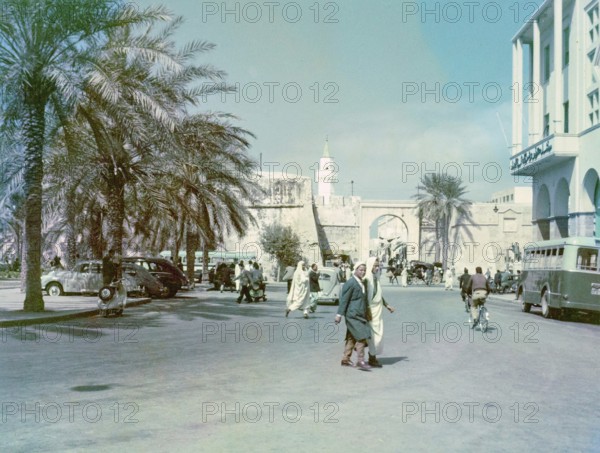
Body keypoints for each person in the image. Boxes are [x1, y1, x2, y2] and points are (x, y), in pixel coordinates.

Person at [335, 262, 372, 371]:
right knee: (362, 335)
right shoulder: (351, 283)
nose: (363, 272)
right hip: (352, 315)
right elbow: (344, 299)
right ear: (355, 270)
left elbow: (363, 300)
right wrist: (339, 315)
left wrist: (367, 312)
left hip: (360, 314)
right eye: (360, 270)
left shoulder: (362, 282)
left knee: (351, 337)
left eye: (364, 270)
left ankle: (345, 359)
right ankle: (360, 361)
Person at [364, 257, 395, 368]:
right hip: (370, 311)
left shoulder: (375, 278)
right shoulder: (366, 279)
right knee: (373, 337)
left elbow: (378, 295)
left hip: (378, 312)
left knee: (378, 335)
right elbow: (364, 297)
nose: (377, 268)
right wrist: (366, 311)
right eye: (375, 265)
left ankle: (372, 356)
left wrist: (387, 306)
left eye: (378, 266)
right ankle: (371, 358)